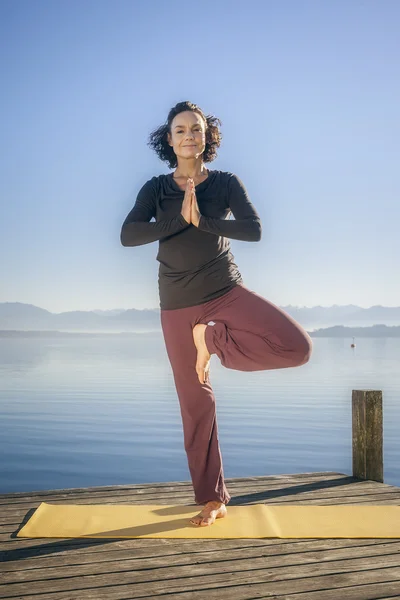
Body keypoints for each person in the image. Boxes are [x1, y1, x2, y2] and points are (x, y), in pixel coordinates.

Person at [120, 100, 313, 527]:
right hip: (175, 305)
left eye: (197, 128)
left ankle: (211, 340)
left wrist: (204, 221)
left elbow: (254, 229)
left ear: (208, 137)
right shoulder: (156, 189)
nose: (190, 135)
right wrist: (176, 223)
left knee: (296, 348)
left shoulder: (224, 183)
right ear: (169, 140)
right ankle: (212, 498)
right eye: (181, 129)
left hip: (225, 292)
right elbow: (128, 235)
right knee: (195, 403)